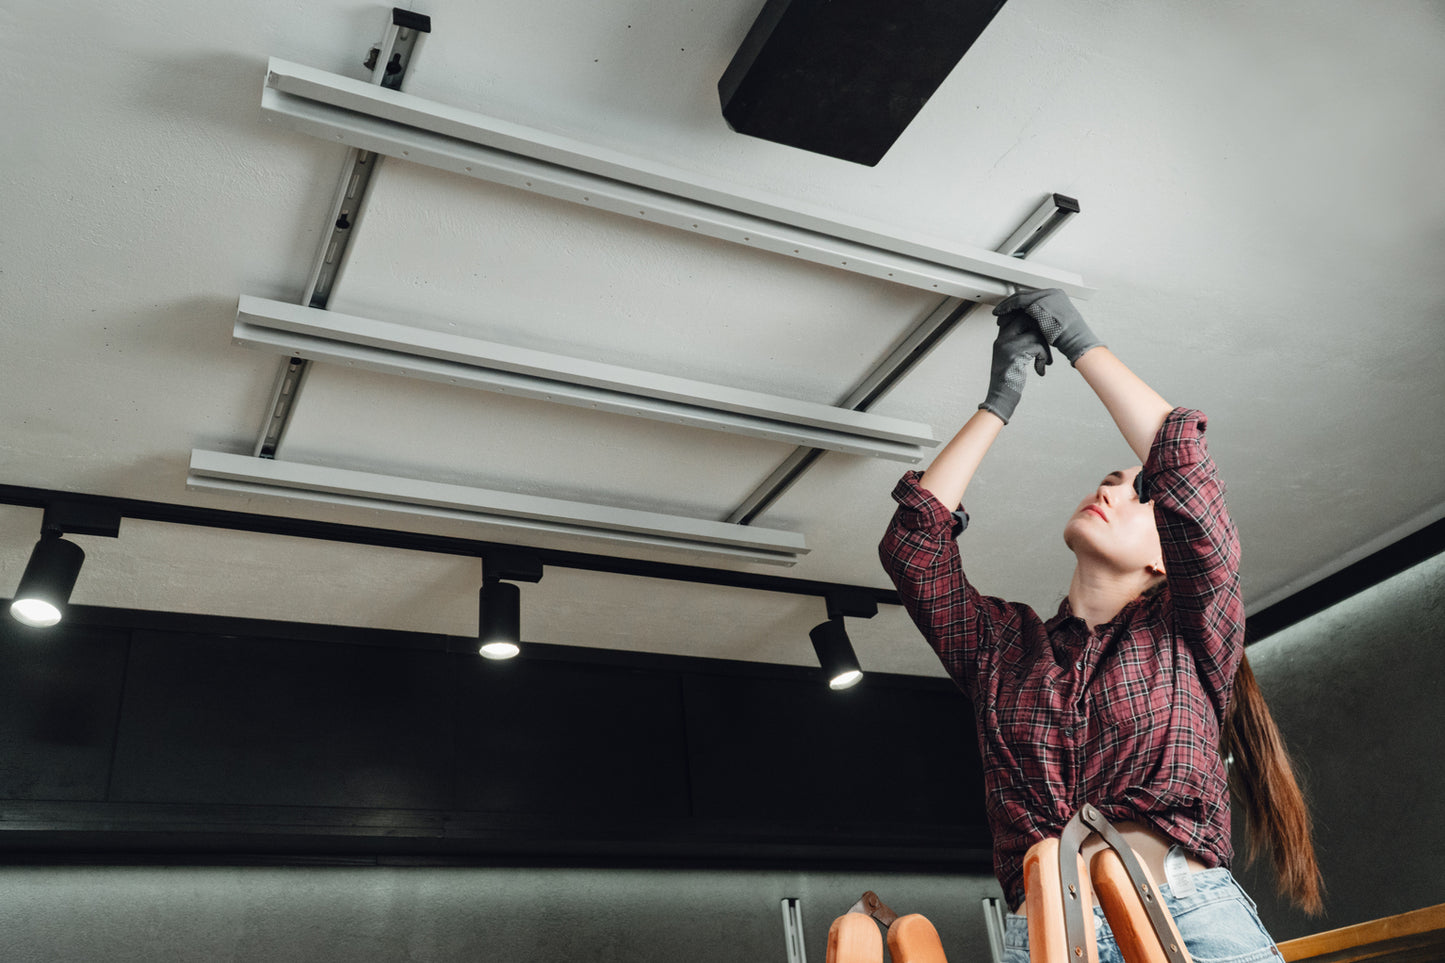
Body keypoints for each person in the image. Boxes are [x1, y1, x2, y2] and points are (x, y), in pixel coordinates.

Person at [877, 289, 1321, 963]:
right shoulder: (1001, 647)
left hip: (1187, 920)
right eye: (1107, 478)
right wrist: (998, 401)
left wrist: (1078, 342)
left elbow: (1184, 469)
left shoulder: (1192, 628)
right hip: (1048, 939)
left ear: (1162, 556)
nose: (1110, 489)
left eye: (1137, 492)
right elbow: (913, 547)